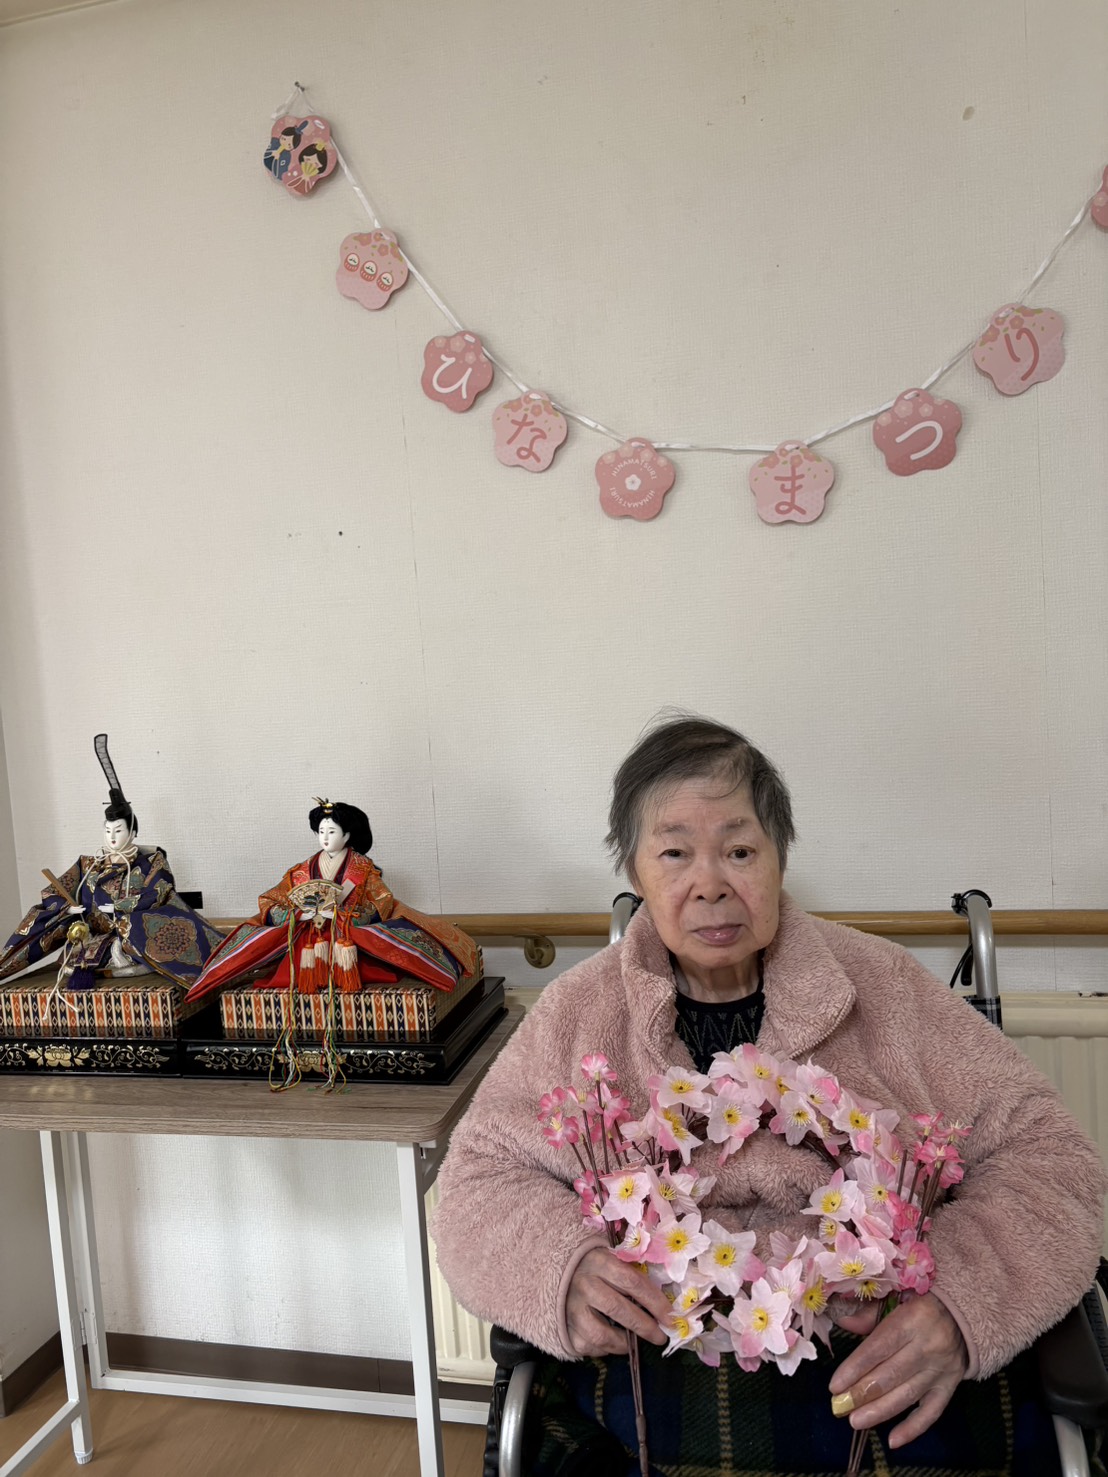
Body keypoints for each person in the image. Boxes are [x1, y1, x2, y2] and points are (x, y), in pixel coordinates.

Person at [433, 716, 1106, 1476]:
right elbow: (478, 1181)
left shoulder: (883, 988)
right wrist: (562, 1264)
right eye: (675, 852)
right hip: (656, 1367)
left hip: (878, 1356)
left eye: (740, 850)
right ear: (635, 869)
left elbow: (1050, 1157)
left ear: (780, 857)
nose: (711, 883)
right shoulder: (578, 1014)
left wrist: (958, 1304)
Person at [185, 798, 478, 1004]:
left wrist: (345, 915)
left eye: (332, 832)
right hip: (307, 935)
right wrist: (298, 915)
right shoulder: (300, 871)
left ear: (347, 835)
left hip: (347, 936)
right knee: (271, 941)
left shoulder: (364, 870)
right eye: (321, 832)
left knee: (379, 940)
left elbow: (382, 902)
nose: (325, 837)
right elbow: (271, 901)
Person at [0, 735, 223, 991]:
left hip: (127, 938)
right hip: (88, 936)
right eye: (107, 831)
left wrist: (118, 906)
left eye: (118, 830)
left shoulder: (151, 862)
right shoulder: (88, 865)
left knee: (140, 928)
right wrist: (67, 908)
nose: (112, 837)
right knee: (47, 920)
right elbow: (54, 891)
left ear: (133, 832)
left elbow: (159, 893)